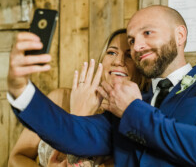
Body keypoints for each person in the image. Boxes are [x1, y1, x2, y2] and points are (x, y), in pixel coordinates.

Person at [7, 5, 196, 167]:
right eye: (133, 40)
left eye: (148, 33)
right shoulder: (130, 101)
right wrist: (21, 89)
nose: (136, 47)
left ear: (179, 36)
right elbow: (73, 132)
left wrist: (133, 109)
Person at [8, 28, 147, 167]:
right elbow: (16, 158)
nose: (118, 61)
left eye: (129, 55)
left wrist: (79, 115)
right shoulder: (60, 98)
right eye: (111, 52)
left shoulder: (131, 124)